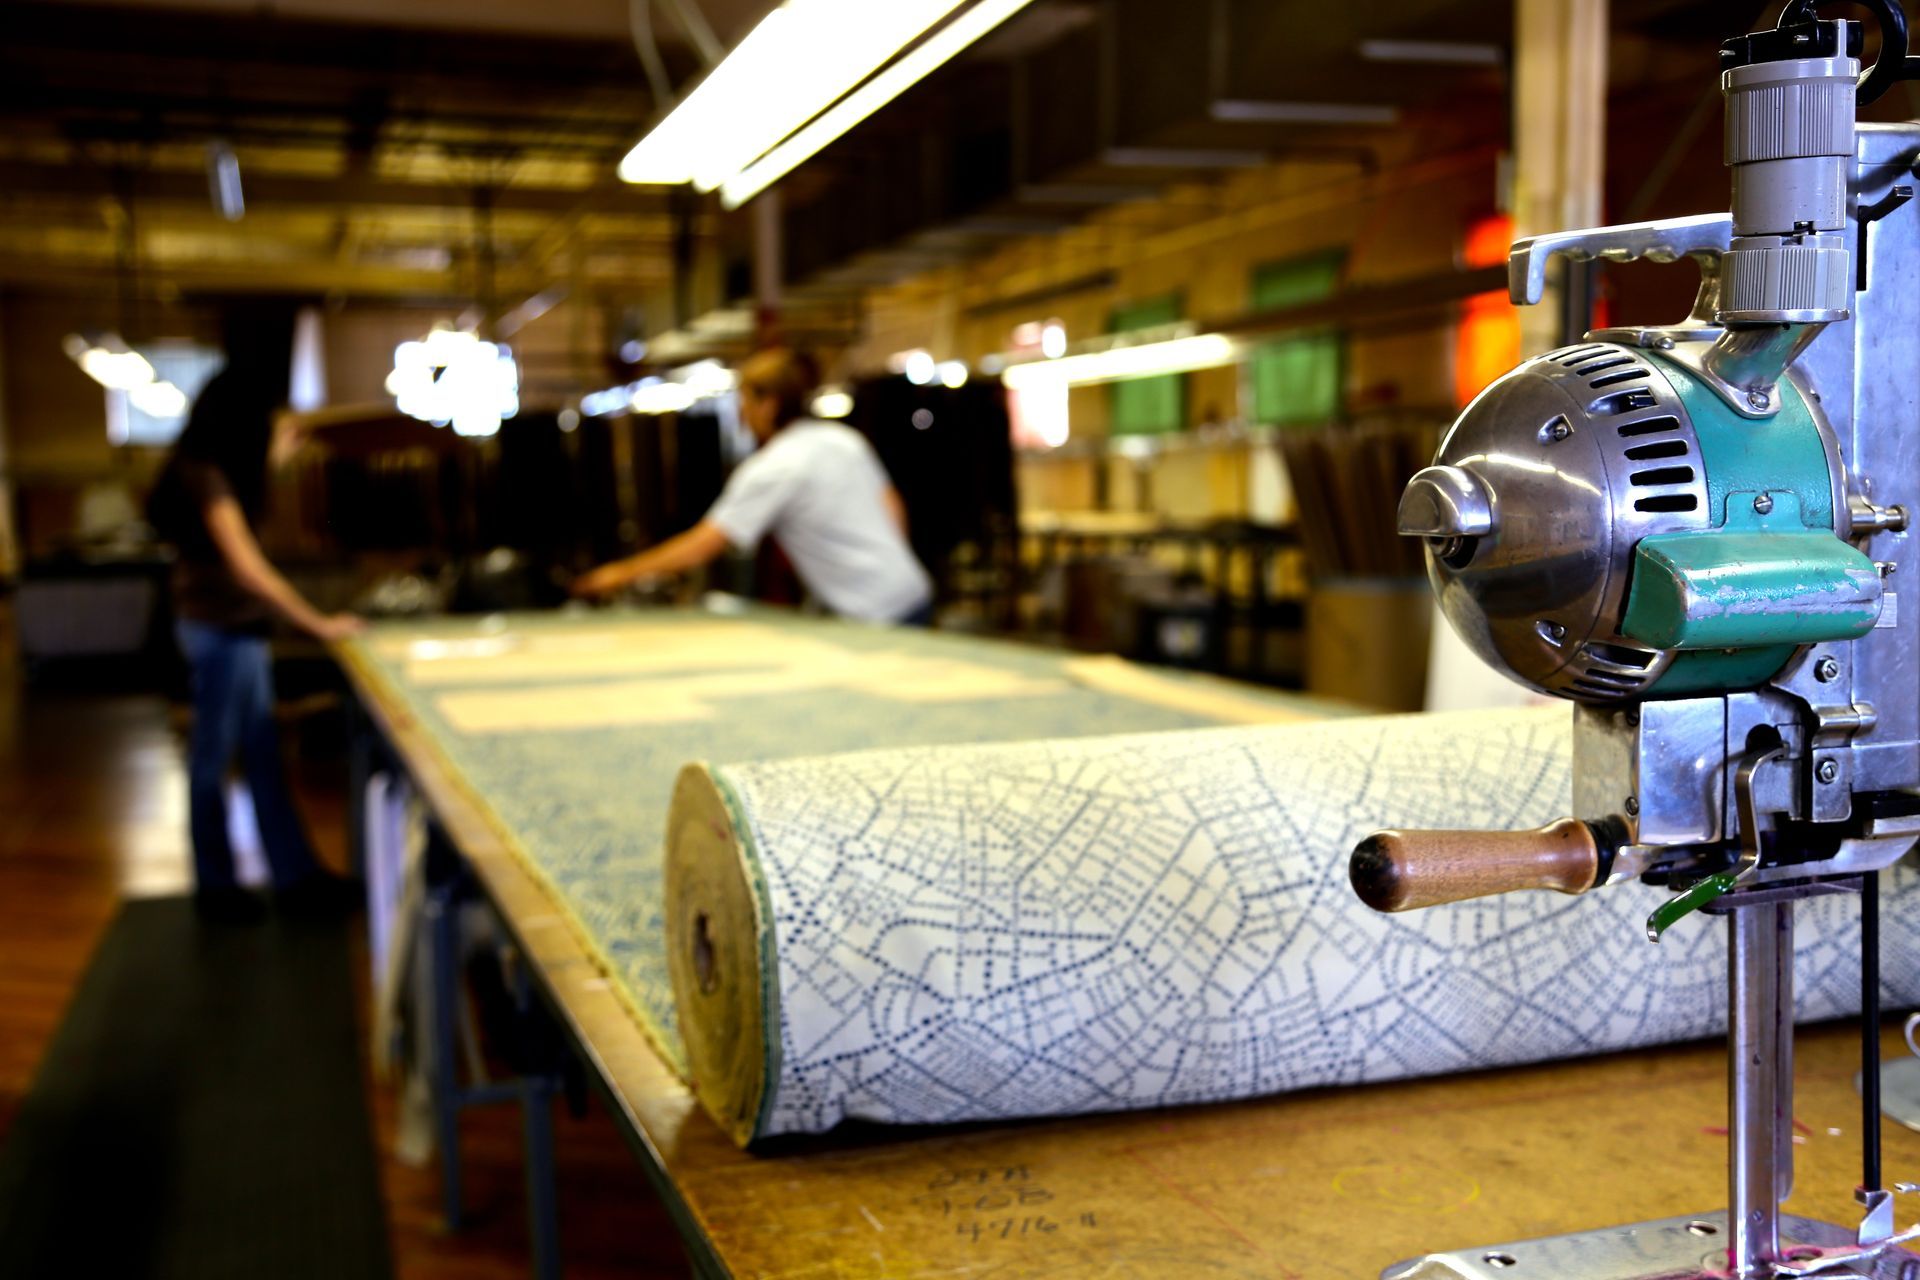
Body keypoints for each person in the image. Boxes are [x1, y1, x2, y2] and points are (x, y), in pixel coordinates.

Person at [150, 367, 362, 922]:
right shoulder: (204, 474)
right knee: (212, 761)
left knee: (263, 755)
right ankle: (218, 890)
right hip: (219, 635)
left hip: (233, 632)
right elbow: (248, 567)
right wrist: (319, 623)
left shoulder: (210, 469)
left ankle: (294, 877)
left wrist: (275, 460)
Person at [573, 348, 934, 624]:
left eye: (744, 400)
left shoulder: (773, 467)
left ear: (769, 404)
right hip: (911, 590)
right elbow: (893, 507)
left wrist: (620, 573)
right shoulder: (842, 439)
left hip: (874, 615)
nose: (741, 413)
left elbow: (703, 544)